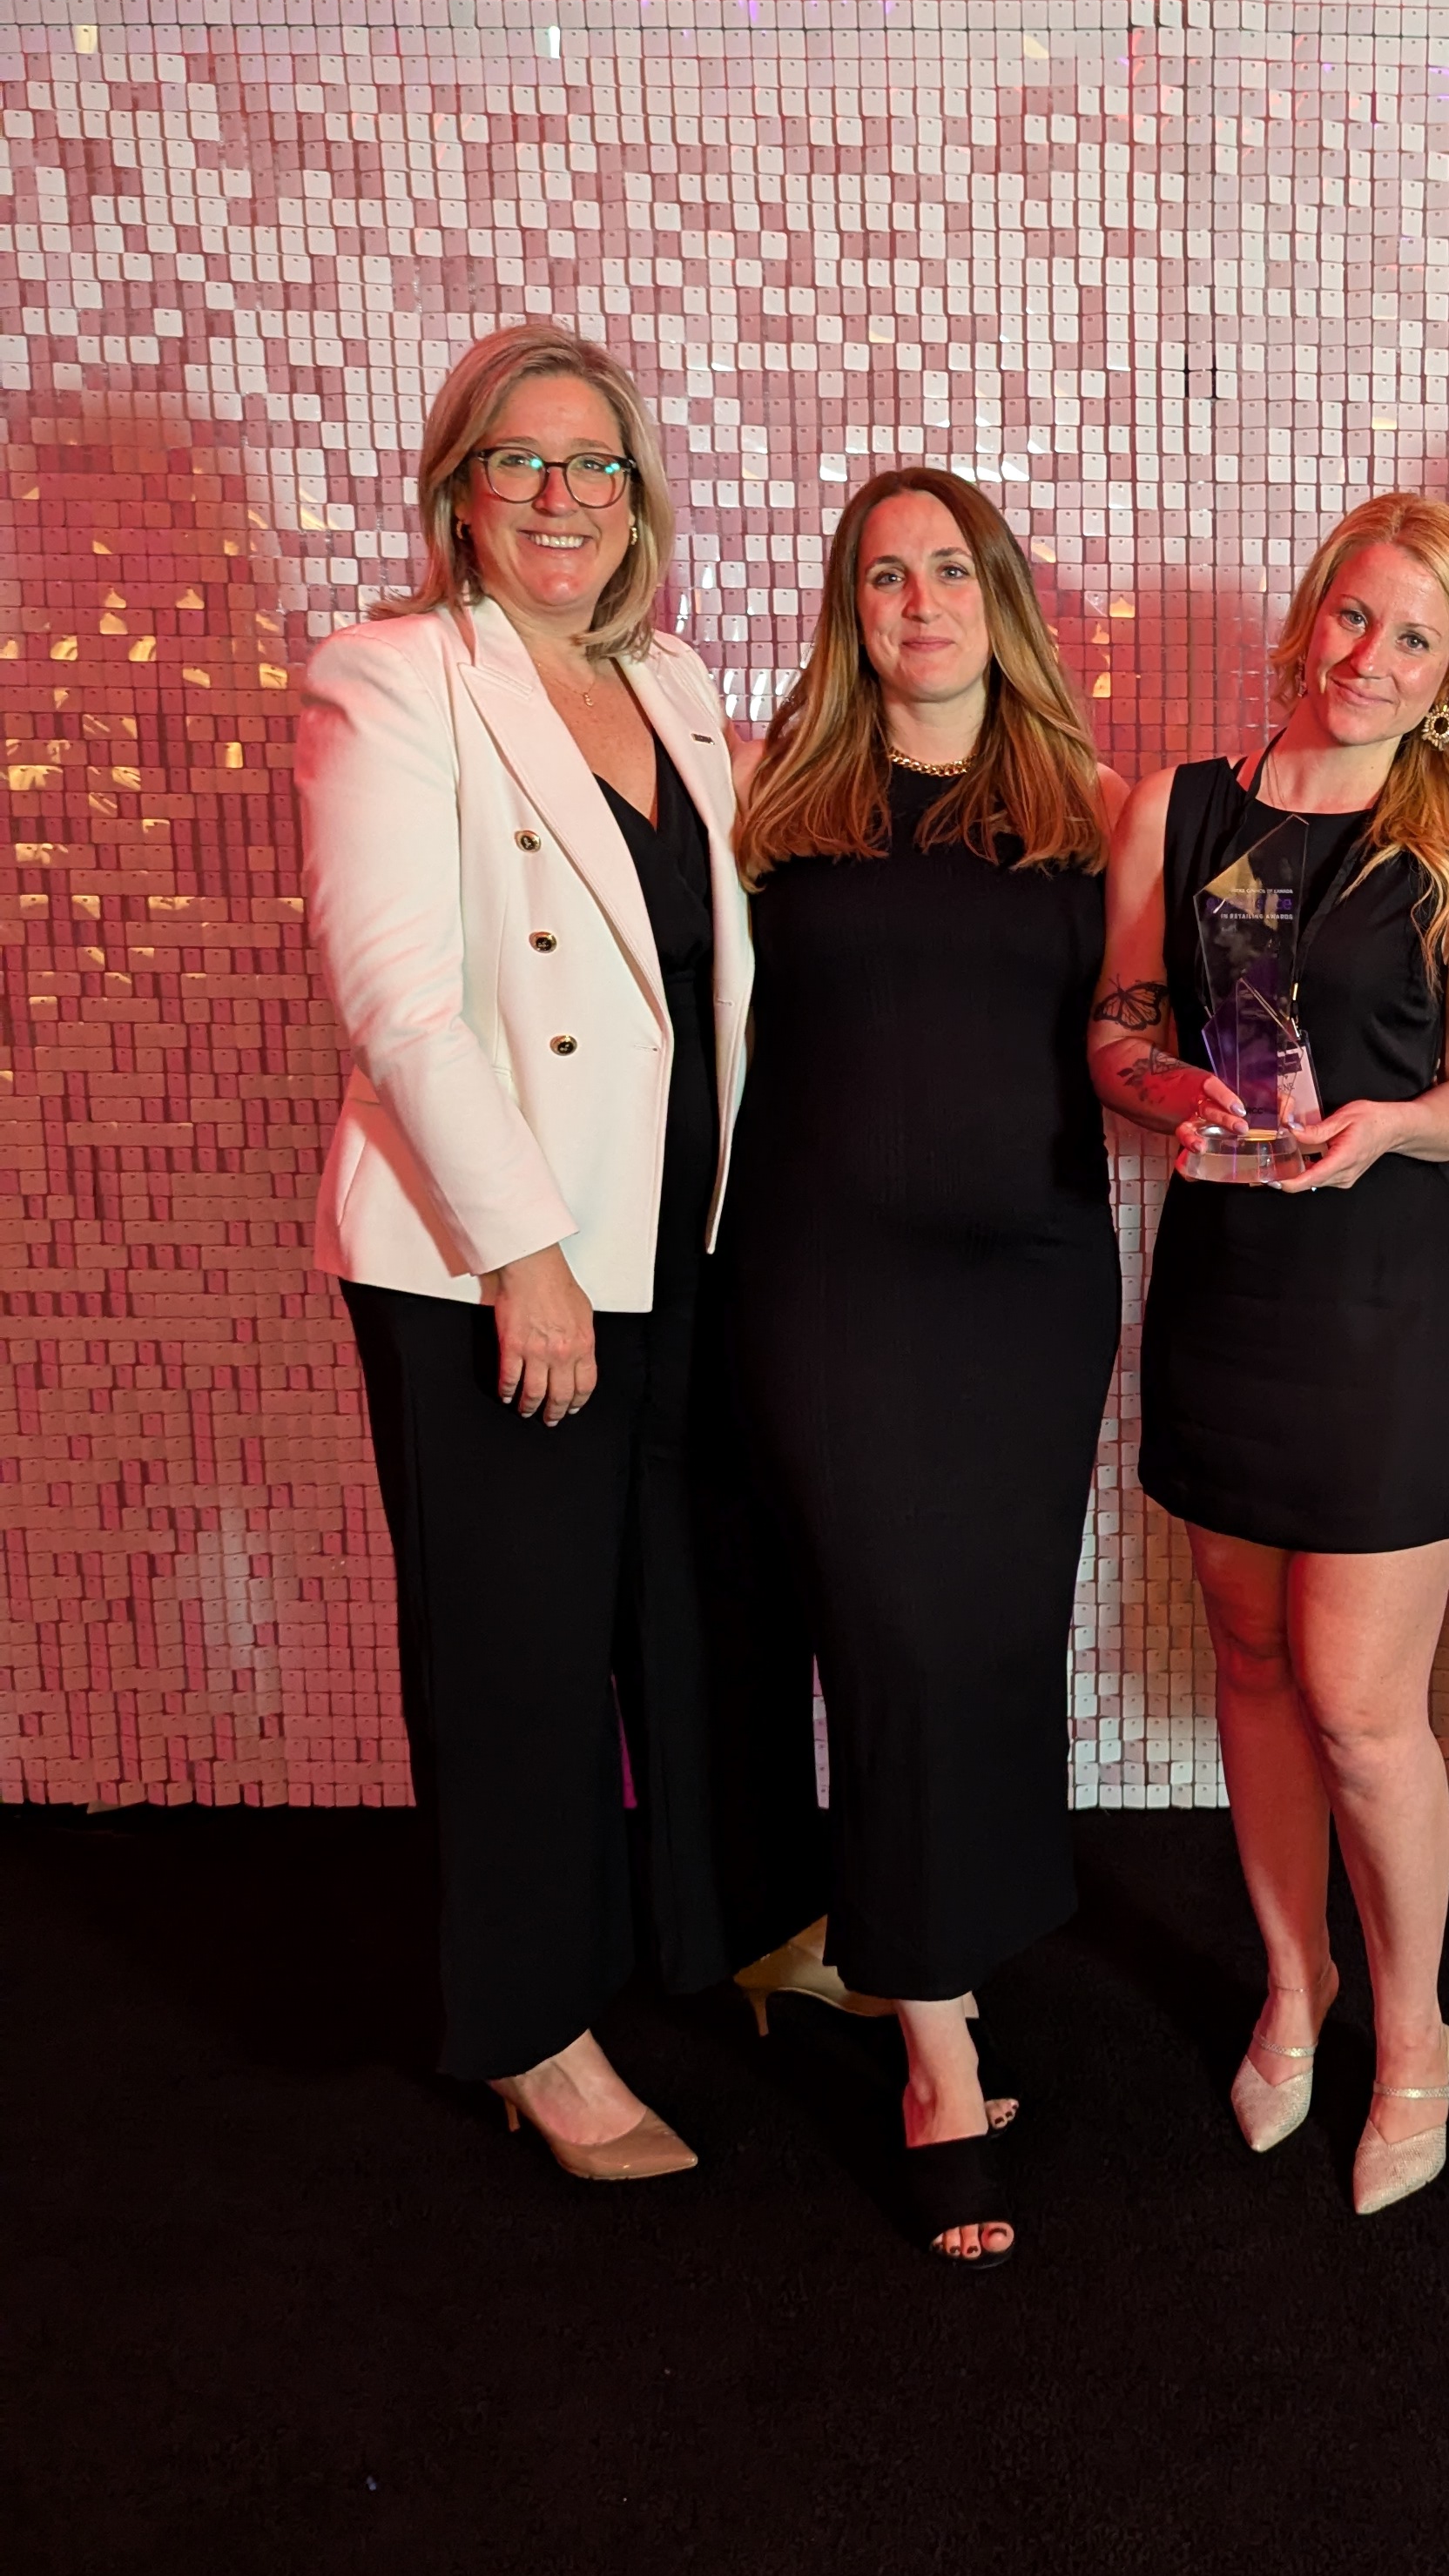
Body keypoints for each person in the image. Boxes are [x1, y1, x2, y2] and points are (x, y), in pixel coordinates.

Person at [297, 323, 755, 2181]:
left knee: (672, 1612)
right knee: (518, 1650)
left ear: (638, 498)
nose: (562, 497)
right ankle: (530, 2032)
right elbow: (401, 1004)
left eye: (596, 464)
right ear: (460, 496)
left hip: (672, 1237)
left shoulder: (672, 680)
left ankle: (700, 1941)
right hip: (497, 1259)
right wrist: (523, 1255)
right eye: (520, 461)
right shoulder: (393, 676)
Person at [1088, 494, 1449, 2216]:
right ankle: (1298, 1988)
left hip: (1383, 1309)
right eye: (1356, 615)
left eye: (1415, 637)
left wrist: (1393, 1126)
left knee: (1364, 1706)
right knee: (1252, 1656)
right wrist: (1171, 1094)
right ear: (1308, 617)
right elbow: (1120, 1023)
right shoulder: (1180, 807)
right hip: (1225, 1288)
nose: (1371, 656)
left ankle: (1416, 2039)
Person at [716, 469, 1125, 2270]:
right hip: (826, 1287)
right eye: (884, 577)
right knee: (887, 1643)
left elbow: (1170, 1026)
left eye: (948, 570)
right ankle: (936, 2057)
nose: (919, 602)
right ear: (849, 610)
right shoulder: (772, 806)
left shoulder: (1090, 814)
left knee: (986, 1642)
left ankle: (942, 1956)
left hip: (1029, 1293)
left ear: (999, 596)